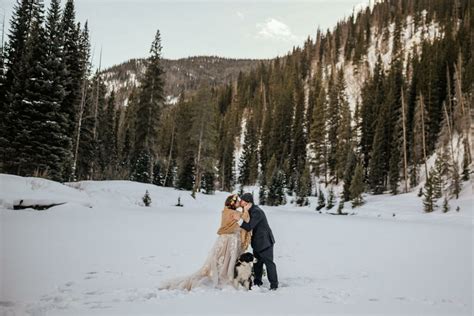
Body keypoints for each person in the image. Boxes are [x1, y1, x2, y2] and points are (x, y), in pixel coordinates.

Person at [160, 194, 247, 291]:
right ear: (233, 203)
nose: (239, 202)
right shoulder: (234, 213)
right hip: (229, 240)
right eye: (237, 201)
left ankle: (220, 273)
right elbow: (246, 218)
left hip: (223, 239)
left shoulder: (225, 211)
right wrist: (245, 208)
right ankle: (226, 276)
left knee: (220, 259)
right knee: (227, 259)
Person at [238, 192, 279, 290]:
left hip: (265, 242)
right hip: (257, 242)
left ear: (247, 202)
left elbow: (248, 226)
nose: (240, 202)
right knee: (257, 263)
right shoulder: (250, 210)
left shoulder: (257, 212)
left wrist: (237, 223)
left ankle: (274, 285)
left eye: (242, 201)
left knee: (269, 263)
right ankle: (257, 281)